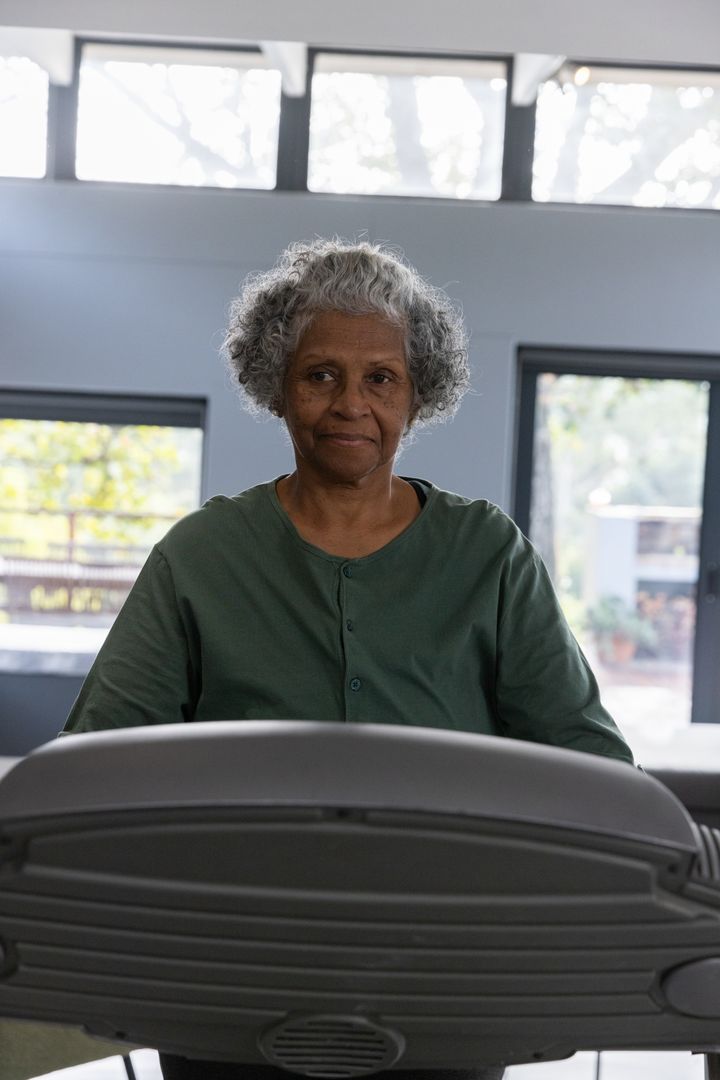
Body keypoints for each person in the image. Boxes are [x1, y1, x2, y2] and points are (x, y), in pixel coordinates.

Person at [63, 238, 634, 1080]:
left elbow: (589, 762)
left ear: (418, 393)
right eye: (320, 374)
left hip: (443, 979)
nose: (350, 405)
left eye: (381, 378)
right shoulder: (201, 556)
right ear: (277, 385)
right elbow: (97, 765)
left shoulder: (488, 554)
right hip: (229, 975)